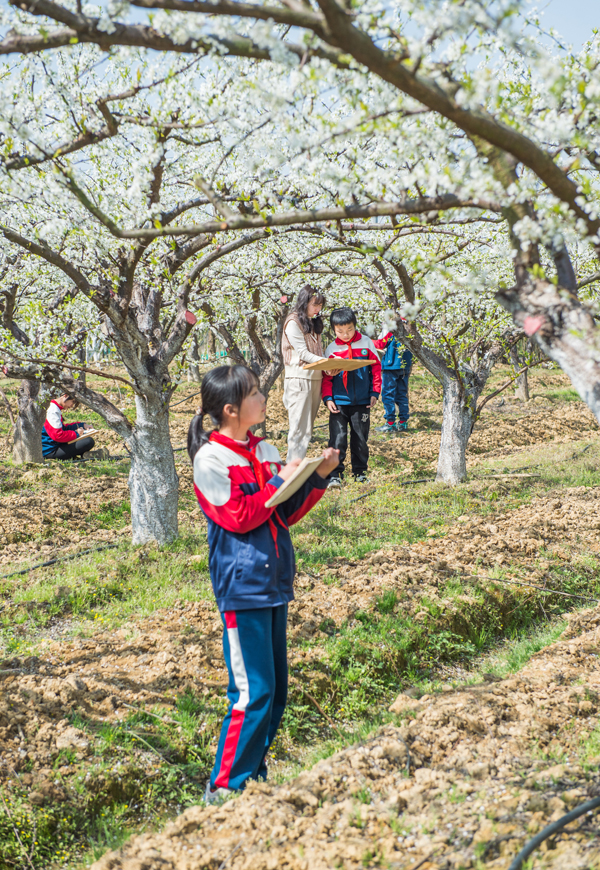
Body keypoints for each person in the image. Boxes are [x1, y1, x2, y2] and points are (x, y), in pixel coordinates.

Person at [189, 364, 339, 803]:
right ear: (231, 410)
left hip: (273, 578)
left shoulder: (264, 448)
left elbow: (281, 513)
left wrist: (317, 477)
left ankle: (253, 775)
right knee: (252, 690)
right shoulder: (212, 459)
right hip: (243, 584)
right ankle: (224, 786)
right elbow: (239, 516)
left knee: (275, 692)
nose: (264, 398)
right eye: (256, 393)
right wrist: (279, 477)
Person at [321, 307, 382, 486]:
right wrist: (328, 398)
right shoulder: (331, 349)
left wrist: (375, 393)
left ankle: (359, 472)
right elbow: (326, 376)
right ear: (333, 330)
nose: (345, 334)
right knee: (337, 438)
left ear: (355, 325)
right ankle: (334, 475)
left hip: (362, 401)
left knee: (360, 438)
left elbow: (376, 369)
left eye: (349, 329)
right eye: (340, 331)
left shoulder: (366, 343)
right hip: (339, 402)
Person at [281, 285, 328, 462]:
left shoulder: (313, 322)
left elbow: (319, 352)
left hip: (315, 378)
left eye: (321, 305)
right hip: (299, 379)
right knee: (298, 427)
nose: (318, 309)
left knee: (307, 428)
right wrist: (325, 363)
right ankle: (291, 469)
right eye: (315, 304)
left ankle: (296, 467)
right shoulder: (293, 322)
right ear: (304, 301)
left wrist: (327, 365)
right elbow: (303, 353)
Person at [373, 328, 413, 434]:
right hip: (405, 366)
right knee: (402, 394)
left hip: (391, 367)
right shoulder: (410, 329)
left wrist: (368, 341)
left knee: (388, 394)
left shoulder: (392, 329)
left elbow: (380, 344)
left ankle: (390, 423)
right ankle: (403, 422)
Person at [42, 393, 95, 460]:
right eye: (73, 401)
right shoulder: (53, 411)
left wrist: (82, 425)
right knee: (88, 441)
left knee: (87, 441)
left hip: (52, 447)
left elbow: (63, 428)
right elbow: (58, 435)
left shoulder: (54, 407)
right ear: (65, 395)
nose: (72, 405)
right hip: (50, 451)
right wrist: (76, 434)